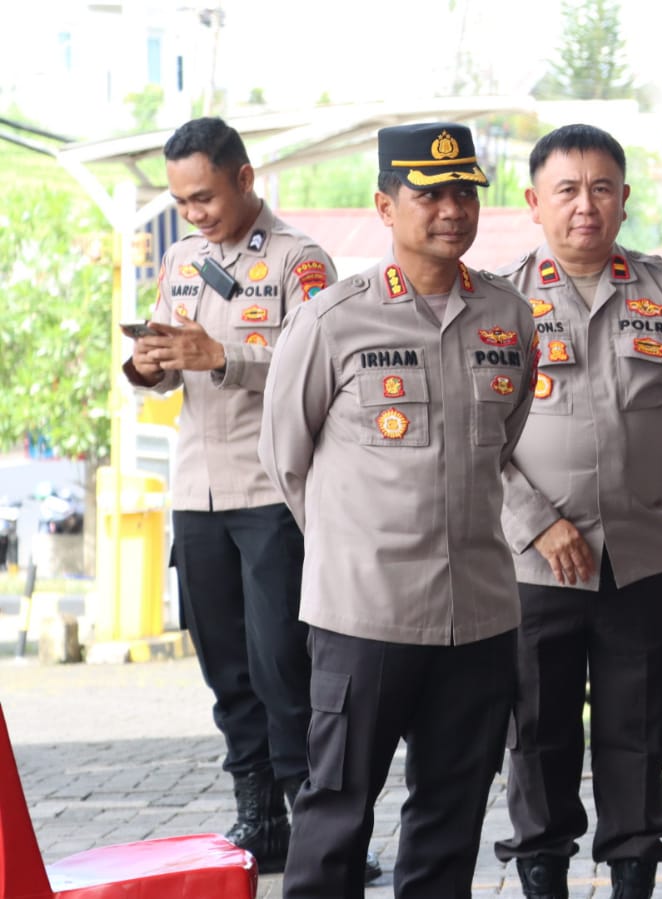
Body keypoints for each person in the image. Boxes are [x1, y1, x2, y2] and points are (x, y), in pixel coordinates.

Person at [258, 121, 538, 899]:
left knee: (451, 816)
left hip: (477, 615)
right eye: (430, 194)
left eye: (464, 193)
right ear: (385, 206)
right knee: (336, 811)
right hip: (365, 615)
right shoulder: (333, 319)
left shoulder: (509, 316)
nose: (452, 209)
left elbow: (502, 442)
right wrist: (354, 545)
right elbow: (285, 457)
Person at [491, 123, 662, 899]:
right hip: (534, 566)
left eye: (601, 188)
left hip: (639, 556)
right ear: (533, 201)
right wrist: (535, 520)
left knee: (636, 734)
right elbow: (474, 434)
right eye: (566, 190)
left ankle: (634, 875)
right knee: (537, 735)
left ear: (625, 198)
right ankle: (543, 877)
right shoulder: (498, 302)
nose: (585, 206)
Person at [122, 116, 362, 876]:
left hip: (272, 493)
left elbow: (321, 363)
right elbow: (173, 361)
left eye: (204, 197)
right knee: (225, 668)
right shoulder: (181, 259)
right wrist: (152, 363)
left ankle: (323, 830)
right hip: (197, 489)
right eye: (182, 202)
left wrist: (222, 354)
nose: (193, 213)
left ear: (245, 178)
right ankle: (259, 817)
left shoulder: (301, 261)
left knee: (285, 668)